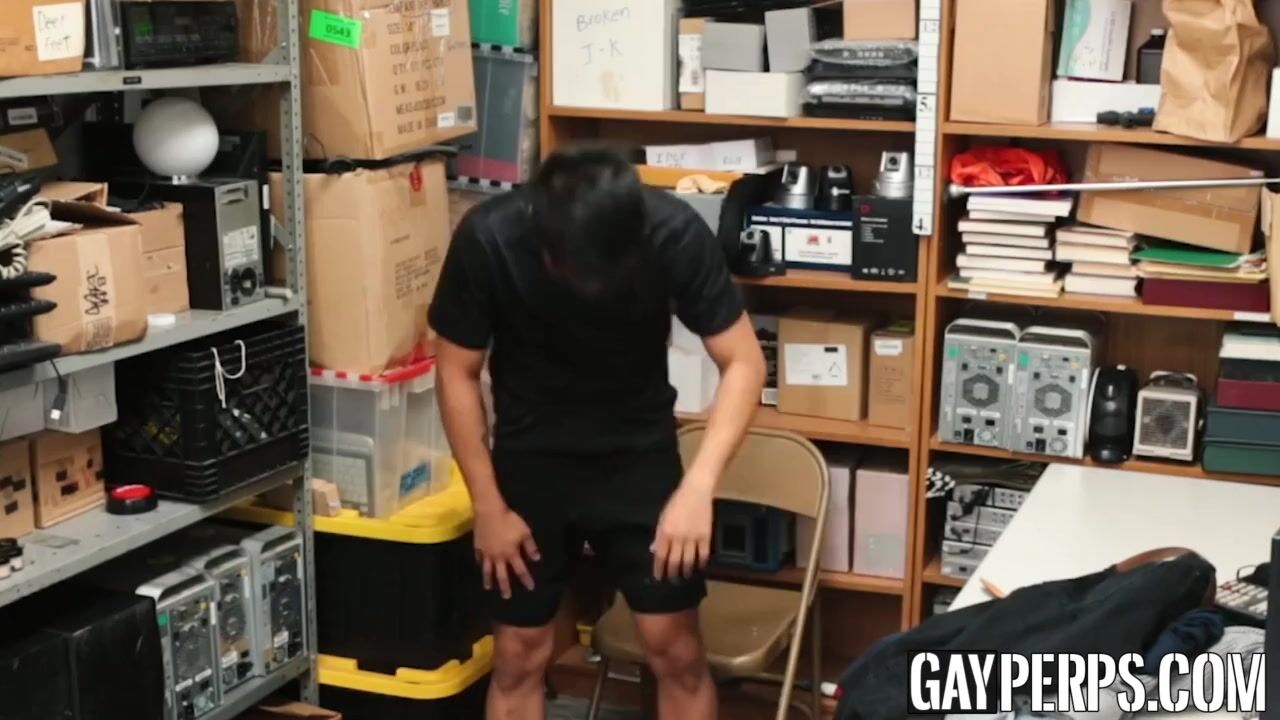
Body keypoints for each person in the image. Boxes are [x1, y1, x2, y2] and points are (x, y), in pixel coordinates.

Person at [429, 144, 766, 720]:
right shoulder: (490, 237)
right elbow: (455, 371)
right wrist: (486, 505)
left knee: (675, 650)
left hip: (639, 457)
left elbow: (744, 362)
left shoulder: (672, 232)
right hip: (530, 461)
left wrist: (698, 489)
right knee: (518, 654)